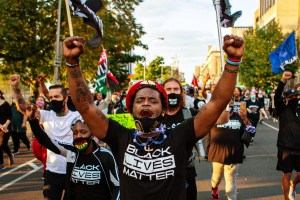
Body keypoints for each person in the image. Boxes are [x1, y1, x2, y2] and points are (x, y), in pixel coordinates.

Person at [63, 34, 244, 200]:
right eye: (140, 100)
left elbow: (217, 103)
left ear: (163, 110)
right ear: (132, 110)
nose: (146, 103)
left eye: (153, 100)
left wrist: (233, 61)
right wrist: (72, 63)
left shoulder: (180, 136)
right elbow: (86, 107)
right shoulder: (120, 137)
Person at [26, 105, 120, 200]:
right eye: (75, 133)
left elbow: (117, 186)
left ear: (91, 134)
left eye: (83, 132)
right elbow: (47, 141)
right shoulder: (71, 151)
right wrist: (32, 120)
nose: (79, 136)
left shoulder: (105, 155)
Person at [11, 75, 80, 200]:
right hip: (52, 172)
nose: (53, 100)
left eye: (56, 97)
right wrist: (15, 87)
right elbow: (23, 108)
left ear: (65, 99)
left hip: (73, 172)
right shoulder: (46, 115)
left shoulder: (76, 116)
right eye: (51, 97)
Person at [208, 101, 253, 200]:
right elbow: (209, 135)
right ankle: (214, 189)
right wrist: (208, 151)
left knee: (231, 179)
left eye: (231, 103)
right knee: (216, 178)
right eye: (227, 103)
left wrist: (245, 119)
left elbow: (251, 132)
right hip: (217, 153)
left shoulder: (240, 116)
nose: (229, 105)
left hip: (234, 153)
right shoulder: (214, 116)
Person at [162, 77, 198, 200]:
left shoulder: (190, 114)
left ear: (182, 93)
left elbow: (221, 119)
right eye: (168, 89)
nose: (172, 92)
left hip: (185, 173)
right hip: (160, 174)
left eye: (176, 89)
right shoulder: (153, 116)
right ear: (162, 92)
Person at [274, 71, 300, 200]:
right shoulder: (282, 109)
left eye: (296, 97)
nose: (294, 99)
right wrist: (283, 79)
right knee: (287, 174)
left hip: (299, 148)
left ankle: (293, 185)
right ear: (287, 99)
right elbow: (277, 96)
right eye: (291, 97)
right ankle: (286, 198)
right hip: (286, 148)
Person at [0, 92, 14, 170]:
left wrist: (5, 125)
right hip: (0, 127)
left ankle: (10, 154)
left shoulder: (6, 104)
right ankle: (1, 163)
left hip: (7, 127)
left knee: (2, 144)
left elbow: (10, 116)